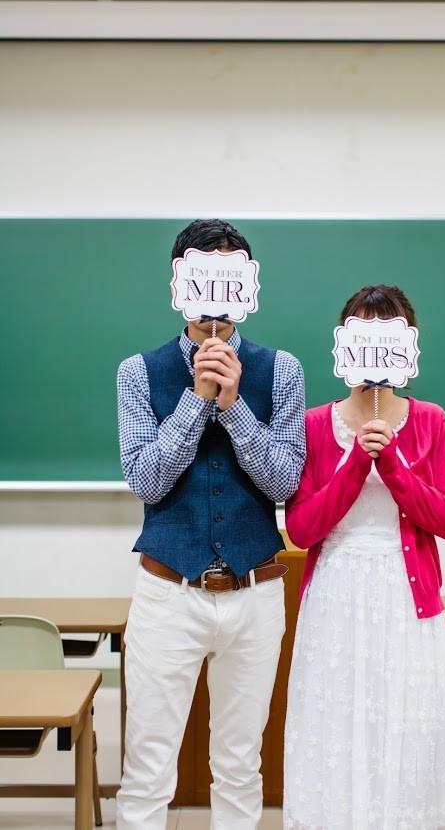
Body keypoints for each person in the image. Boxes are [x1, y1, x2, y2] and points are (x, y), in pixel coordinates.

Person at [116, 219, 306, 830]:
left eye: (231, 276)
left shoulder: (281, 370)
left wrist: (235, 406)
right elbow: (146, 480)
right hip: (167, 592)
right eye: (205, 274)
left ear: (246, 287)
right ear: (180, 284)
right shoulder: (137, 372)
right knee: (147, 766)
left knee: (240, 765)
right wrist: (196, 400)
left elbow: (286, 484)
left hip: (256, 591)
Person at [283, 284, 445, 830]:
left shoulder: (431, 420)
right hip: (336, 595)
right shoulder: (316, 424)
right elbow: (301, 528)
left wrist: (396, 468)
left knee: (407, 731)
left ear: (405, 346)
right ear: (345, 344)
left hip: (408, 602)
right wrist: (355, 464)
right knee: (335, 730)